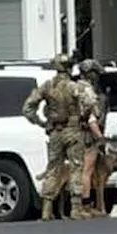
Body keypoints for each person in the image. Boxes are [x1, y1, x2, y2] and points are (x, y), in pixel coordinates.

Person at [21, 53, 85, 221]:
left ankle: (46, 209)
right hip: (73, 131)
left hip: (55, 132)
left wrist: (41, 122)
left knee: (52, 169)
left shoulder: (47, 86)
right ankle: (76, 209)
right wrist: (82, 117)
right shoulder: (76, 87)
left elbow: (27, 108)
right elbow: (91, 104)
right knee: (76, 167)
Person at [75, 58, 109, 219]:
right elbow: (91, 119)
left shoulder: (73, 87)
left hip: (74, 135)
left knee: (78, 170)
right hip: (87, 136)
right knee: (86, 171)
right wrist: (100, 137)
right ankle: (85, 205)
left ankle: (78, 206)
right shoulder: (87, 91)